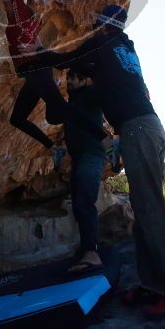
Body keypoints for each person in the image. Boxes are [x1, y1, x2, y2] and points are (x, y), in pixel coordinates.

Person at [36, 3, 165, 319]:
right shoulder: (122, 48)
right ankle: (153, 284)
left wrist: (40, 53)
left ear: (100, 24)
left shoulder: (101, 42)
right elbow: (91, 71)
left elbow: (69, 59)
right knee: (143, 208)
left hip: (137, 130)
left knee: (152, 211)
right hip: (145, 128)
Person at [0, 0, 109, 168]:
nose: (4, 1)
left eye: (8, 0)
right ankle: (54, 148)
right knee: (18, 119)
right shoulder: (19, 22)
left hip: (38, 69)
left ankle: (105, 140)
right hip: (32, 74)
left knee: (60, 109)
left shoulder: (19, 15)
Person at [64, 67, 108, 273]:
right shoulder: (71, 102)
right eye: (67, 78)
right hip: (79, 157)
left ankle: (92, 254)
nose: (69, 82)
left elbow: (105, 93)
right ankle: (86, 250)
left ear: (84, 81)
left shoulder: (89, 95)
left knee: (85, 202)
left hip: (92, 155)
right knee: (78, 205)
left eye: (73, 78)